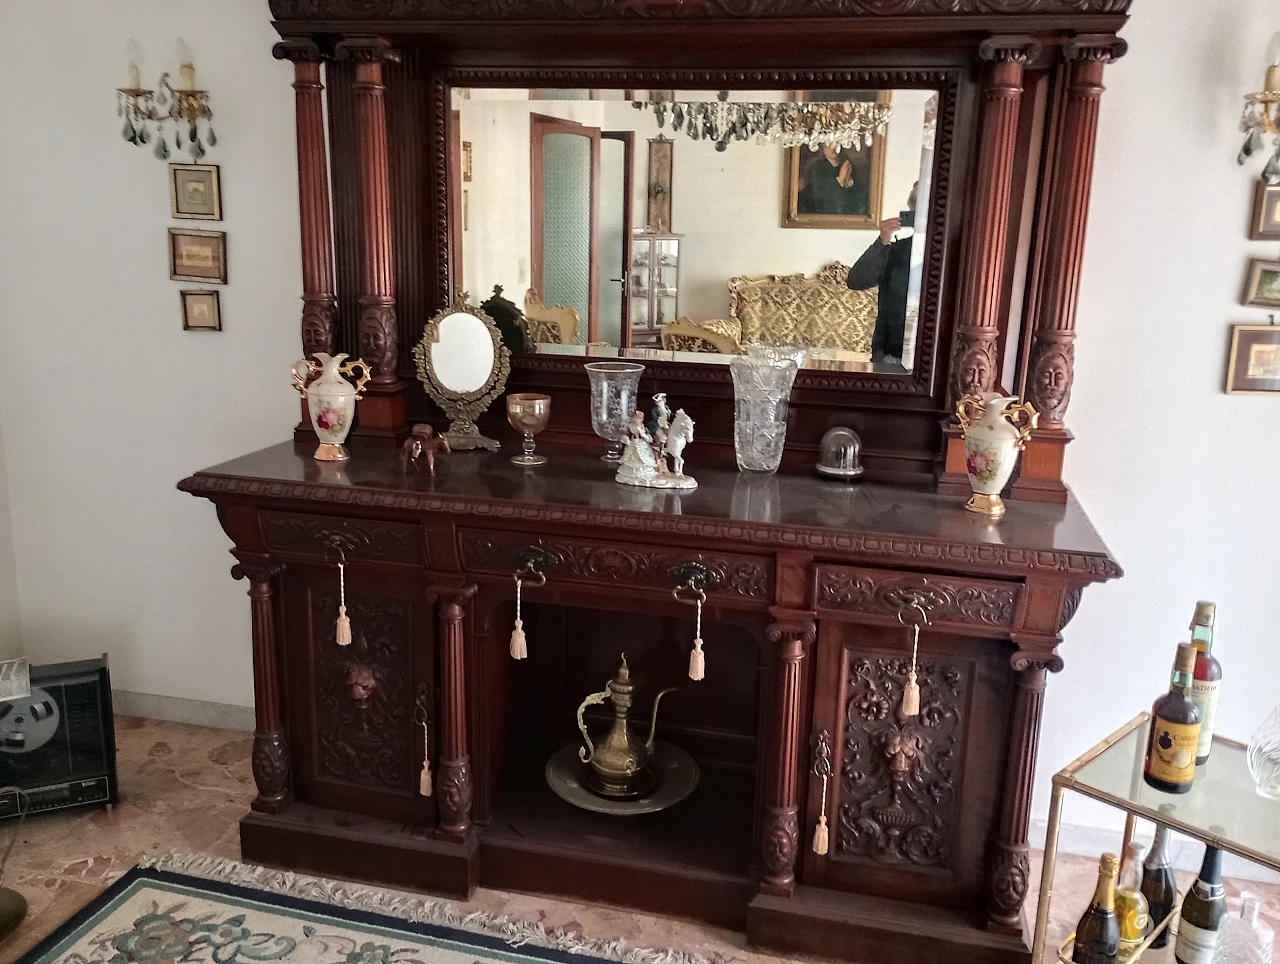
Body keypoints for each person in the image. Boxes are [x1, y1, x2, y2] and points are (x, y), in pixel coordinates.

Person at [847, 182, 917, 366]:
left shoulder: (953, 252)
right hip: (891, 351)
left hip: (936, 352)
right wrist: (882, 240)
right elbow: (856, 280)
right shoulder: (896, 250)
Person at [797, 146, 869, 216]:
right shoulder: (817, 168)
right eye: (828, 145)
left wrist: (848, 182)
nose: (833, 148)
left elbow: (856, 196)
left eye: (836, 144)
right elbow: (821, 196)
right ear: (823, 147)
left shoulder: (847, 166)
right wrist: (840, 180)